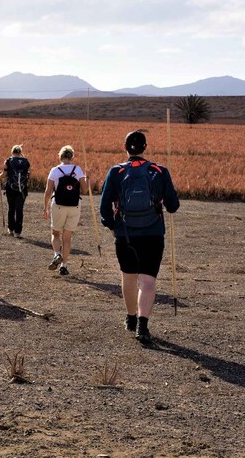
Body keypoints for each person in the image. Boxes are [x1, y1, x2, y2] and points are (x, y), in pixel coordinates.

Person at [99, 130, 179, 344]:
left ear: (125, 148)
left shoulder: (116, 172)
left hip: (125, 234)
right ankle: (143, 326)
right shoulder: (159, 171)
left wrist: (111, 226)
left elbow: (104, 205)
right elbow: (173, 206)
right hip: (153, 234)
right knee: (148, 281)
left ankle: (131, 318)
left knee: (128, 277)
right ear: (145, 148)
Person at [43, 145, 88, 276]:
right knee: (67, 238)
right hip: (74, 206)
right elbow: (84, 190)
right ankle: (64, 265)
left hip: (58, 205)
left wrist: (45, 208)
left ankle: (57, 254)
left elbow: (48, 192)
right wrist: (86, 179)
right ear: (72, 157)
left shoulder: (55, 171)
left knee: (56, 233)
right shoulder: (78, 170)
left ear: (60, 156)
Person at [0, 144, 30, 238]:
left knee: (11, 208)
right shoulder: (26, 161)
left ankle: (11, 229)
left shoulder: (8, 160)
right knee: (19, 210)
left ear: (12, 152)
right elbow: (29, 175)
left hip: (10, 188)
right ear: (20, 152)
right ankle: (18, 232)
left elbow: (4, 174)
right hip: (22, 189)